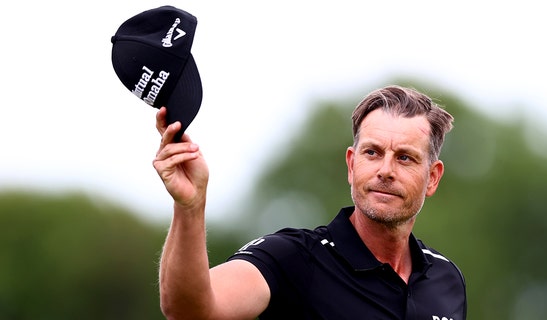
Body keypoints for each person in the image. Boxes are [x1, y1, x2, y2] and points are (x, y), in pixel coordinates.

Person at [153, 85, 467, 319]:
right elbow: (189, 310)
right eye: (372, 152)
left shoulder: (446, 278)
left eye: (405, 158)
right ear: (351, 164)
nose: (385, 171)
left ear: (433, 178)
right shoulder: (295, 258)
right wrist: (190, 206)